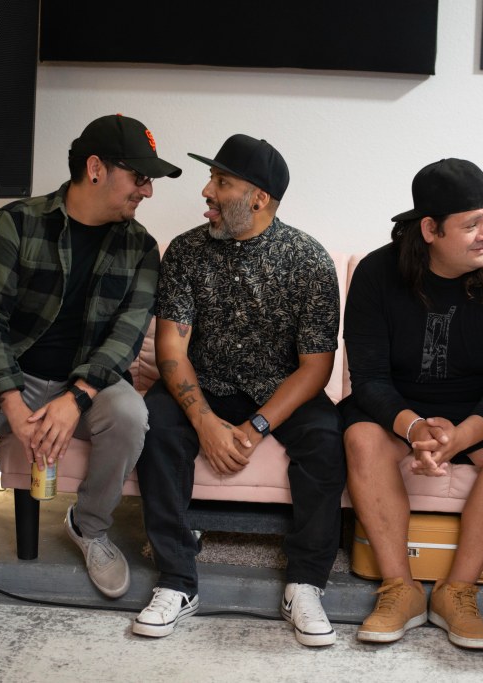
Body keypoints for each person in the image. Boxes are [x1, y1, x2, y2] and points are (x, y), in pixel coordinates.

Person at [0, 114, 180, 604]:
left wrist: (77, 397)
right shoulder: (19, 222)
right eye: (140, 178)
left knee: (131, 414)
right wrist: (11, 403)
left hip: (89, 385)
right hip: (13, 374)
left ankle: (90, 527)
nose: (147, 192)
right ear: (96, 168)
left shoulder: (141, 248)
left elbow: (127, 335)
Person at [132, 134, 345, 647]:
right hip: (204, 384)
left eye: (221, 182)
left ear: (259, 198)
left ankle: (305, 582)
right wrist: (205, 422)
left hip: (280, 389)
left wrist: (255, 427)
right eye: (212, 178)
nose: (206, 190)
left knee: (326, 439)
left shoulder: (309, 261)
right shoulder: (185, 252)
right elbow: (171, 352)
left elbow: (315, 368)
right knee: (154, 425)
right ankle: (177, 581)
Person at [341, 159, 483, 649]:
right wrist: (414, 429)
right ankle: (399, 589)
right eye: (471, 224)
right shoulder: (376, 273)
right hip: (397, 405)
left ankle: (457, 592)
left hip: (479, 408)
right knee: (361, 436)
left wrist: (458, 438)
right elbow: (368, 378)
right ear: (429, 229)